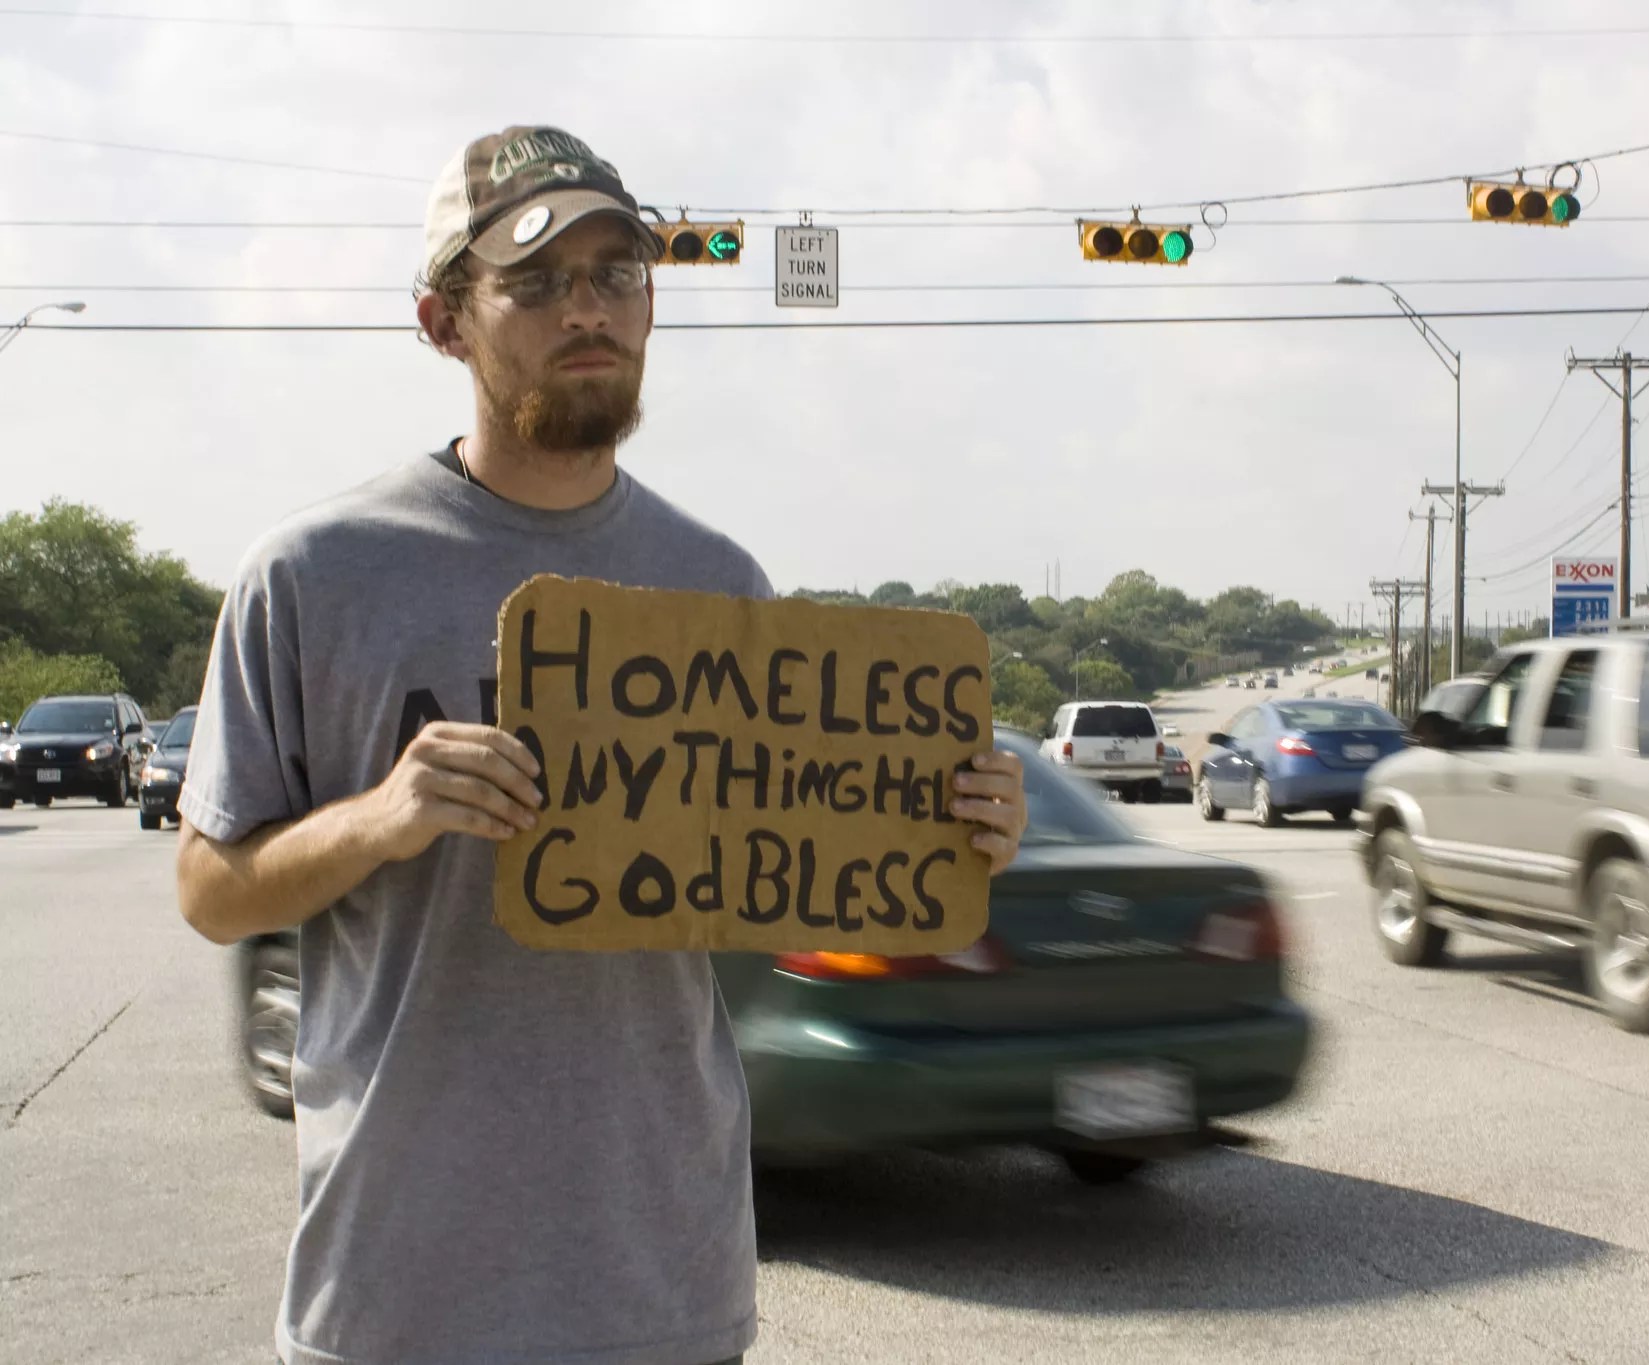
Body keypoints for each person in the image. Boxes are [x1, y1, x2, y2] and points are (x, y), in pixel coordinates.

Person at [174, 125, 1029, 1365]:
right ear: (443, 320)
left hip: (661, 1286)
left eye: (617, 273)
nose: (588, 309)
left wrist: (942, 829)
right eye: (534, 281)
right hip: (399, 1289)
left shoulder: (716, 584)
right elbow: (208, 891)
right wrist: (381, 817)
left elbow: (786, 884)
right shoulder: (314, 575)